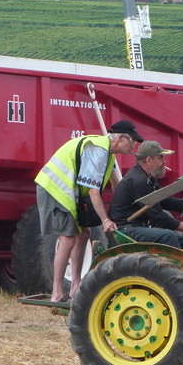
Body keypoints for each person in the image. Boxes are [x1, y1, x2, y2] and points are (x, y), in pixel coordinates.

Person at [35, 120, 142, 302]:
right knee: (67, 238)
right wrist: (105, 220)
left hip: (70, 191)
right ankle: (57, 292)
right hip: (55, 187)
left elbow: (117, 186)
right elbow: (93, 190)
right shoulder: (98, 151)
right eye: (132, 141)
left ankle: (76, 287)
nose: (133, 146)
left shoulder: (108, 154)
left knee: (84, 234)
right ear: (120, 138)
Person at [109, 140, 183, 252]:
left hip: (138, 226)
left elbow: (164, 200)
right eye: (161, 158)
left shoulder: (148, 178)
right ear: (148, 160)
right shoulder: (139, 181)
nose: (164, 162)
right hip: (126, 228)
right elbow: (158, 216)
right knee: (168, 236)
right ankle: (175, 268)